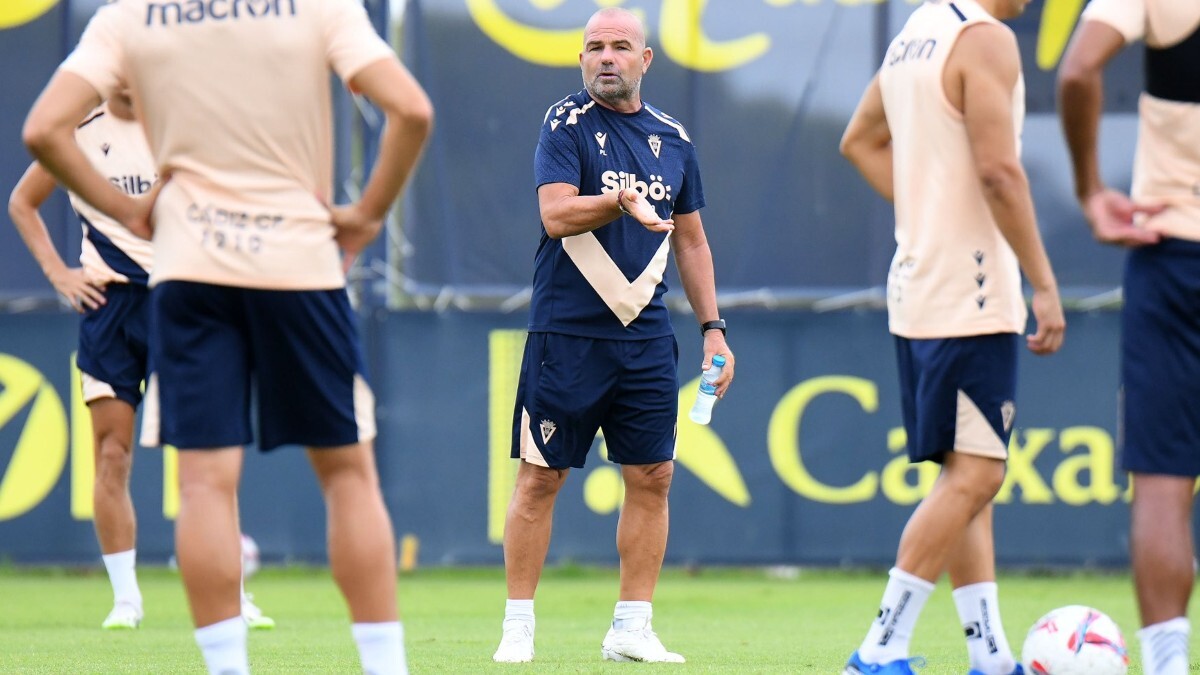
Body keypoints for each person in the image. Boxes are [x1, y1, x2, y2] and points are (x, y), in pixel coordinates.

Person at [21, 0, 433, 672]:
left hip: (187, 269)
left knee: (205, 483)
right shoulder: (319, 7)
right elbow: (412, 112)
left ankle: (226, 666)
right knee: (349, 477)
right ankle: (386, 665)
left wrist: (129, 209)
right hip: (299, 259)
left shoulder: (132, 16)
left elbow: (43, 130)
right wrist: (365, 216)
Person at [490, 7, 733, 665]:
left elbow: (693, 240)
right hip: (567, 332)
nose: (605, 57)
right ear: (580, 60)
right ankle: (518, 624)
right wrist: (617, 201)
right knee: (541, 479)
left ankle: (631, 625)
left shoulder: (674, 139)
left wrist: (714, 329)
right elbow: (555, 212)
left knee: (653, 474)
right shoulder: (565, 123)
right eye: (593, 46)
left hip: (646, 337)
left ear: (644, 60)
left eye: (620, 46)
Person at [839, 0, 1066, 671]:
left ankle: (990, 655)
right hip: (971, 290)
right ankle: (880, 646)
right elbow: (1000, 172)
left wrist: (926, 214)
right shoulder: (984, 39)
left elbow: (858, 139)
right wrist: (1044, 282)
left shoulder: (915, 33)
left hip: (916, 284)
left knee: (968, 471)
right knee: (979, 473)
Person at [8, 93, 274, 633]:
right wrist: (60, 274)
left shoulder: (183, 120)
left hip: (180, 302)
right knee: (112, 453)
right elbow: (22, 201)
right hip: (109, 307)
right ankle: (126, 600)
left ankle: (234, 596)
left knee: (205, 455)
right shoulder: (78, 131)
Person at [1058, 2, 1200, 673]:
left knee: (1165, 482)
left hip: (1174, 254)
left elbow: (1080, 69)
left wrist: (1090, 189)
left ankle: (1168, 666)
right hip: (1170, 253)